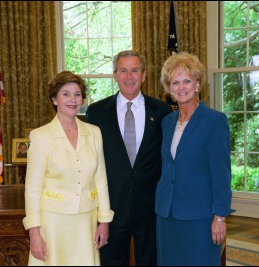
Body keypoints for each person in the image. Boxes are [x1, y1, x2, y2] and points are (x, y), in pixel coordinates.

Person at [86, 50, 172, 266]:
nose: (129, 76)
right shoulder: (96, 112)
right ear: (115, 75)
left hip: (150, 205)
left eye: (135, 70)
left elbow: (167, 158)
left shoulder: (162, 111)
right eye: (123, 71)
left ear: (144, 75)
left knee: (150, 262)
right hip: (112, 206)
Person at [22, 71, 114, 266]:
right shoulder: (40, 136)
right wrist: (34, 231)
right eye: (65, 94)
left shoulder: (94, 133)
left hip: (86, 222)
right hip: (52, 224)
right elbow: (32, 188)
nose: (72, 99)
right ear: (54, 99)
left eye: (77, 94)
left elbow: (101, 179)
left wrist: (104, 221)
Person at [155, 52, 235, 266]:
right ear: (169, 89)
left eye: (187, 81)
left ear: (198, 84)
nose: (181, 87)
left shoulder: (215, 121)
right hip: (166, 214)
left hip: (199, 216)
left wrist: (219, 217)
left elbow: (221, 173)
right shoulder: (167, 122)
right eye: (175, 82)